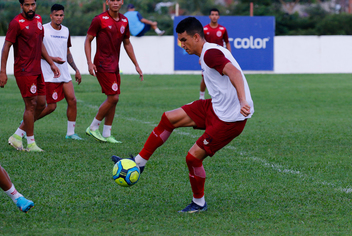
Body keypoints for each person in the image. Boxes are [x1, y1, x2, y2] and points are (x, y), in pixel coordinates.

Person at [112, 17, 254, 213]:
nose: (182, 44)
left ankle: (199, 203)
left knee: (193, 158)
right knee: (168, 118)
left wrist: (242, 100)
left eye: (184, 40)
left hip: (230, 118)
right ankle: (139, 163)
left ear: (196, 37)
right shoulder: (206, 52)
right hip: (216, 107)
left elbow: (235, 73)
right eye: (180, 40)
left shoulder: (210, 54)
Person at [0, 0, 60, 152]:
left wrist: (51, 62)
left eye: (33, 4)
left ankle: (18, 135)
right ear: (21, 6)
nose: (31, 8)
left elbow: (39, 44)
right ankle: (31, 143)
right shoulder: (16, 23)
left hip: (37, 69)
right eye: (27, 5)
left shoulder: (39, 20)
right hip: (24, 70)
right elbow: (6, 46)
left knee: (41, 104)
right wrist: (2, 71)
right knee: (31, 105)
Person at [85, 0, 143, 143]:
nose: (115, 2)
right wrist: (89, 62)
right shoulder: (99, 19)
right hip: (102, 64)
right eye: (112, 0)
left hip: (114, 65)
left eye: (118, 0)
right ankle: (93, 127)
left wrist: (136, 64)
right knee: (113, 97)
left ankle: (107, 133)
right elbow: (88, 40)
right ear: (107, 2)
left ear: (122, 2)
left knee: (114, 99)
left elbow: (127, 43)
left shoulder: (124, 20)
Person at [37, 4, 83, 140]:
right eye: (56, 15)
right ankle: (27, 122)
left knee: (72, 100)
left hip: (64, 73)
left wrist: (76, 69)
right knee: (51, 107)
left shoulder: (66, 31)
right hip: (48, 72)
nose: (59, 18)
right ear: (51, 16)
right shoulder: (43, 29)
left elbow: (67, 52)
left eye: (61, 15)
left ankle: (70, 133)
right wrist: (52, 59)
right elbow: (36, 52)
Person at [200, 8, 231, 100]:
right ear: (209, 16)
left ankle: (222, 96)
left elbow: (227, 42)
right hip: (207, 57)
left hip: (219, 57)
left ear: (219, 16)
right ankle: (201, 97)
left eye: (216, 14)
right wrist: (200, 58)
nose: (214, 16)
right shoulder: (204, 29)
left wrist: (229, 54)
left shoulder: (223, 29)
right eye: (212, 14)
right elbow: (201, 44)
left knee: (222, 78)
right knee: (205, 78)